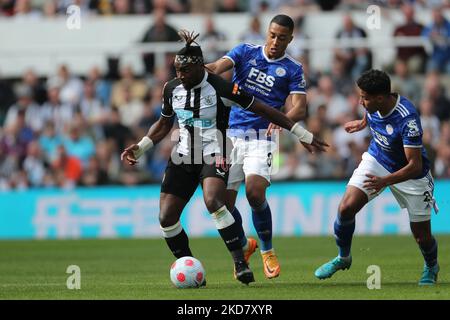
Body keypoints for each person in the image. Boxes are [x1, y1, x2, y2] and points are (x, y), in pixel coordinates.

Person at [121, 30, 328, 286]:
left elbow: (263, 109)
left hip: (217, 151)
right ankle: (191, 265)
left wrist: (301, 132)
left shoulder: (223, 87)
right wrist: (140, 148)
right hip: (183, 154)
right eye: (176, 71)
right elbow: (163, 125)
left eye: (184, 71)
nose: (179, 76)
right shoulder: (171, 88)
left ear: (199, 67)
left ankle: (241, 263)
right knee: (166, 218)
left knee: (214, 202)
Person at [206, 14, 310, 279]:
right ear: (267, 32)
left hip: (262, 136)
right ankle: (244, 244)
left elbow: (300, 106)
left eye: (282, 38)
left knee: (254, 192)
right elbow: (219, 66)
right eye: (272, 35)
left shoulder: (293, 68)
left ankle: (267, 250)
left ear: (290, 39)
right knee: (225, 206)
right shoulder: (245, 51)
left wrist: (285, 120)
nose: (275, 41)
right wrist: (199, 68)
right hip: (230, 135)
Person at [314, 70, 440, 286]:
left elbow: (414, 165)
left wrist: (385, 182)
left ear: (380, 98)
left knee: (421, 236)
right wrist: (363, 123)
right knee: (346, 208)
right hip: (378, 159)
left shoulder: (407, 119)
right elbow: (372, 114)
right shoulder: (376, 103)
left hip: (411, 175)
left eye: (364, 97)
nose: (360, 101)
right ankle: (343, 257)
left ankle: (431, 265)